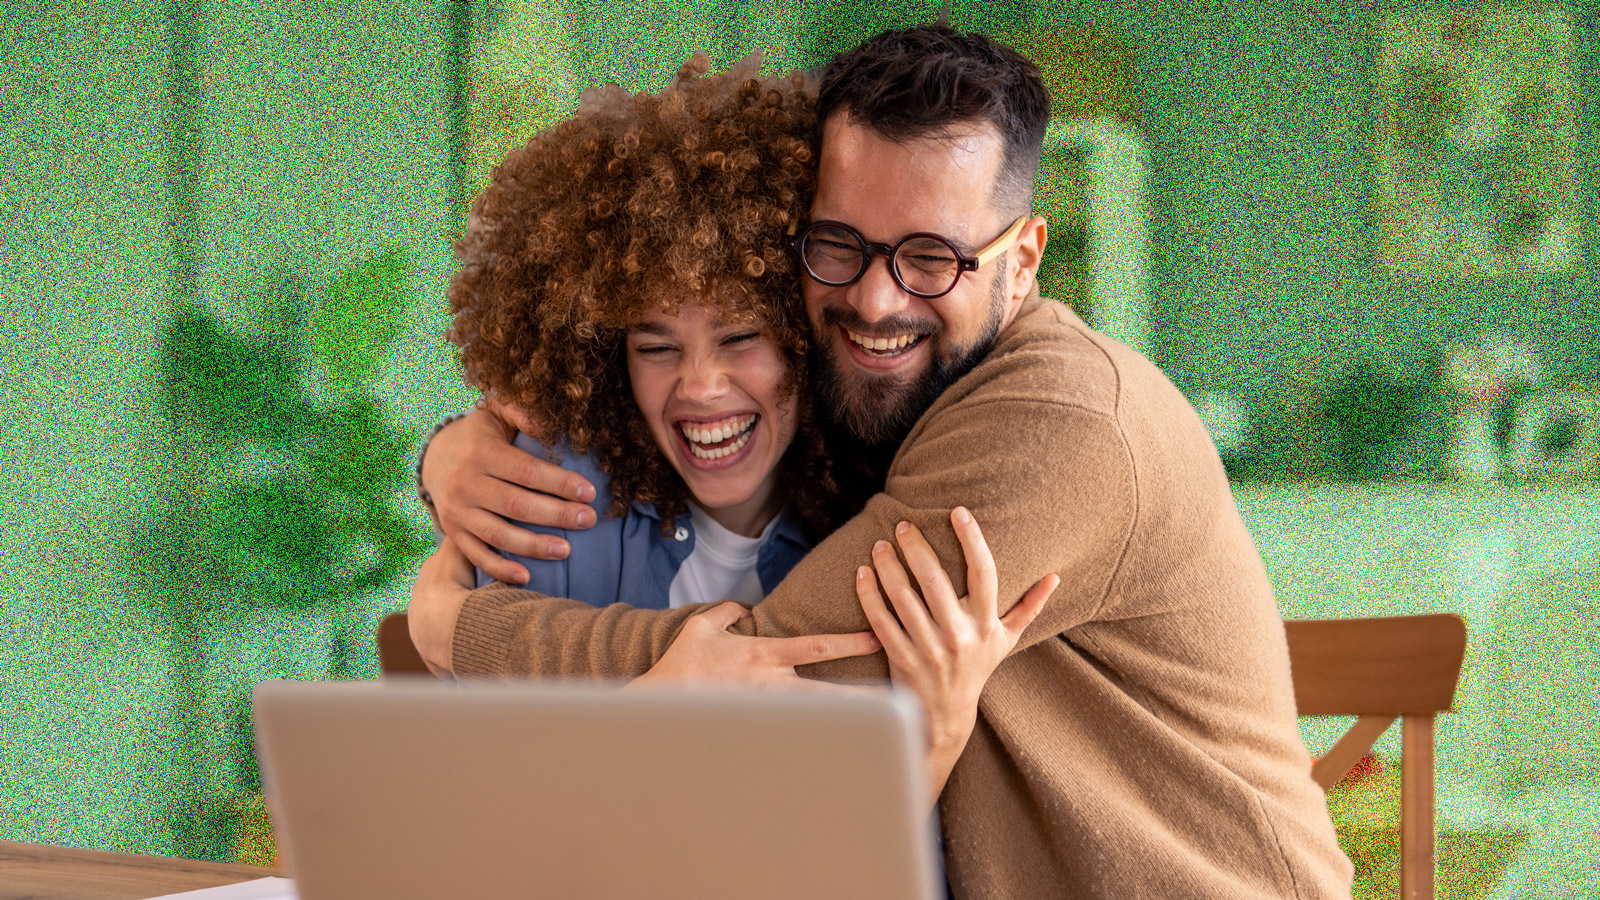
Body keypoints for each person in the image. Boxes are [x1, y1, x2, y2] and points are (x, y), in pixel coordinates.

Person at [412, 26, 1353, 900]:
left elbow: (774, 676)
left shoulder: (1061, 421)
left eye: (931, 257)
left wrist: (455, 626)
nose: (874, 299)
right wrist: (450, 451)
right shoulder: (872, 397)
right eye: (838, 245)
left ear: (1023, 260)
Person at [426, 52, 1057, 806]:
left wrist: (941, 733)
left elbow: (847, 854)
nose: (699, 386)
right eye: (654, 345)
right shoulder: (561, 507)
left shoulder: (878, 531)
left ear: (804, 332)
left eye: (740, 339)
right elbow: (480, 812)